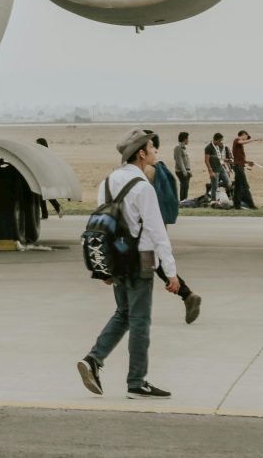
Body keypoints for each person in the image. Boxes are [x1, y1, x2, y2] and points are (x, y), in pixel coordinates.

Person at [76, 128, 179, 399]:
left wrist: (105, 269)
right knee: (140, 321)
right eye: (153, 149)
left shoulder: (107, 182)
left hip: (116, 261)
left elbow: (104, 227)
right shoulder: (143, 188)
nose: (156, 152)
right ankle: (137, 382)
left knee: (123, 313)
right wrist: (171, 272)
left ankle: (93, 360)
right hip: (141, 262)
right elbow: (158, 232)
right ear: (142, 154)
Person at [146, 133, 201, 324]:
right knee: (157, 262)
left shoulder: (145, 171)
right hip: (159, 223)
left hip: (146, 228)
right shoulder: (158, 168)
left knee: (152, 264)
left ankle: (186, 294)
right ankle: (186, 295)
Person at [230, 130, 261, 210]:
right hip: (238, 168)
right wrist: (254, 140)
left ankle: (237, 205)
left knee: (238, 187)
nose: (245, 139)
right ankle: (251, 205)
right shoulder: (236, 140)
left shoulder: (239, 146)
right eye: (246, 136)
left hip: (239, 166)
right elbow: (241, 142)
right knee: (245, 186)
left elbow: (239, 159)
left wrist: (248, 162)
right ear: (243, 134)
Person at [204, 134, 232, 203]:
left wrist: (226, 160)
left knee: (229, 183)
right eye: (220, 141)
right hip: (214, 170)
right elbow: (206, 160)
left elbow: (219, 158)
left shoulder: (218, 146)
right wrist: (210, 171)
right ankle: (213, 201)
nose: (221, 142)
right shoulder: (208, 147)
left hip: (221, 168)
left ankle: (211, 185)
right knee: (215, 187)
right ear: (216, 140)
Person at [172, 132, 192, 207]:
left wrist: (189, 171)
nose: (188, 140)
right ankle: (182, 202)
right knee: (184, 186)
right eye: (187, 139)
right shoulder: (178, 147)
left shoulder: (184, 147)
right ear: (184, 139)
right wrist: (184, 172)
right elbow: (179, 160)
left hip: (186, 171)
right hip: (181, 171)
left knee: (186, 187)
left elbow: (186, 160)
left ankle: (184, 201)